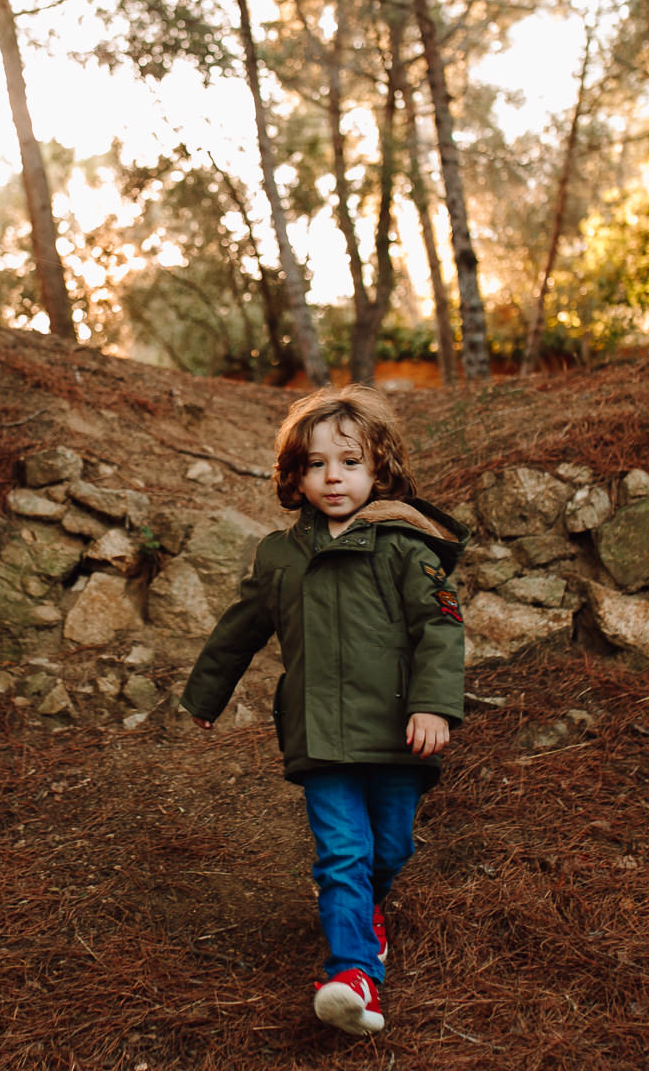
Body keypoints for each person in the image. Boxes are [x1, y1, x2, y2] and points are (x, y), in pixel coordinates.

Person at [179, 384, 468, 1037]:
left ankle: (367, 915)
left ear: (380, 470)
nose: (333, 477)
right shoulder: (281, 557)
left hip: (400, 732)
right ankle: (353, 975)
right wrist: (205, 697)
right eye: (316, 464)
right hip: (320, 736)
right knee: (342, 854)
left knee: (388, 848)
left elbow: (441, 630)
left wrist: (433, 706)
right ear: (296, 475)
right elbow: (240, 629)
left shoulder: (405, 547)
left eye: (350, 461)